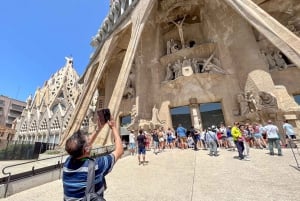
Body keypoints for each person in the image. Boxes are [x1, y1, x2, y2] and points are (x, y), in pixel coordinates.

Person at [63, 118, 123, 200]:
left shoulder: (68, 162)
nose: (90, 140)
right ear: (86, 149)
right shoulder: (95, 166)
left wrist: (98, 129)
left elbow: (83, 147)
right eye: (87, 140)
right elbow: (119, 151)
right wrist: (114, 128)